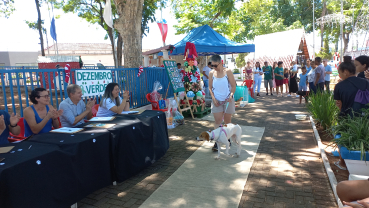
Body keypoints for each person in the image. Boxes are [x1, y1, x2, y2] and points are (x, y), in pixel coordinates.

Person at [208, 55, 236, 151]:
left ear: (221, 63)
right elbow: (210, 88)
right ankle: (217, 142)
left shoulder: (227, 72)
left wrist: (231, 95)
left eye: (215, 65)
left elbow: (233, 86)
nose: (214, 67)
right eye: (212, 65)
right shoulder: (211, 73)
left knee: (227, 122)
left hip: (228, 100)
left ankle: (227, 139)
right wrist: (213, 98)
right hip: (216, 100)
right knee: (217, 122)